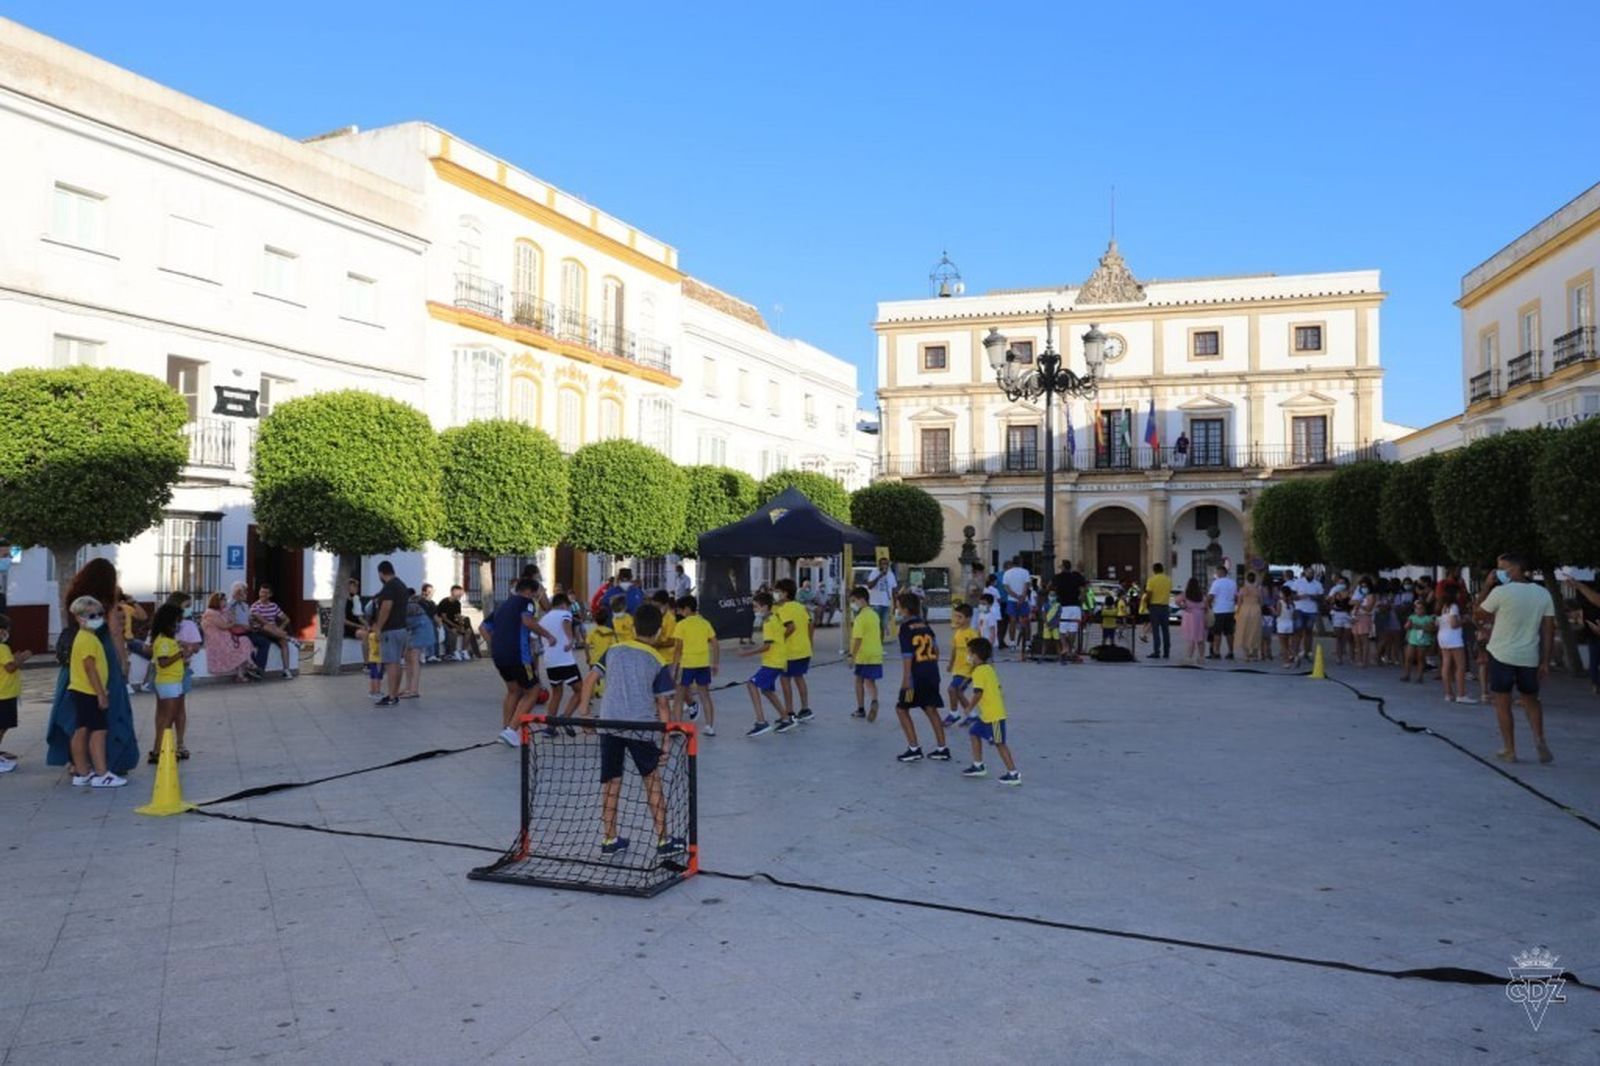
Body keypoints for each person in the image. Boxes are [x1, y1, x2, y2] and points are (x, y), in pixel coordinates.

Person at [572, 603, 685, 858]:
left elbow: (589, 680)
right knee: (652, 781)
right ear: (657, 633)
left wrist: (585, 715)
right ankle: (663, 840)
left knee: (611, 782)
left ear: (632, 627)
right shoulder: (657, 660)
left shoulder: (613, 650)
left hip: (609, 725)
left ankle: (609, 839)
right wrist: (666, 741)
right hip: (641, 727)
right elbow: (663, 704)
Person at [46, 560, 137, 777]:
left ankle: (76, 763)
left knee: (75, 714)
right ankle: (109, 761)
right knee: (109, 712)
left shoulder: (73, 596)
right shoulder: (107, 598)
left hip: (76, 656)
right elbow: (115, 632)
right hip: (102, 654)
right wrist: (123, 662)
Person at [1476, 554, 1555, 764]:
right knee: (1532, 700)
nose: (1498, 572)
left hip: (1502, 654)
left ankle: (1510, 749)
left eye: (1501, 568)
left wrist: (1486, 587)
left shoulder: (1501, 592)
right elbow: (1548, 629)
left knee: (1503, 703)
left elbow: (1478, 615)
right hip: (1529, 656)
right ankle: (1539, 739)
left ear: (1514, 569)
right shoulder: (1542, 593)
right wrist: (1545, 661)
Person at [61, 595, 127, 788]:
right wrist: (101, 693)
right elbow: (90, 669)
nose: (98, 618)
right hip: (88, 692)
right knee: (99, 731)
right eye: (92, 615)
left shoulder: (85, 637)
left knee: (81, 730)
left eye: (100, 614)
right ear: (79, 617)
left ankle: (82, 772)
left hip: (81, 691)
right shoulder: (88, 640)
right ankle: (101, 773)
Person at [485, 577, 545, 746]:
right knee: (533, 690)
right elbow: (527, 621)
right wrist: (548, 635)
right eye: (538, 592)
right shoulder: (528, 602)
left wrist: (495, 644)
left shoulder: (502, 605)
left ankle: (506, 729)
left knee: (513, 690)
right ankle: (512, 730)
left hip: (499, 655)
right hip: (519, 655)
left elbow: (483, 627)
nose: (539, 595)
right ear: (530, 591)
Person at [893, 591, 949, 763]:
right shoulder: (925, 625)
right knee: (931, 708)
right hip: (931, 672)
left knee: (902, 708)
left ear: (904, 608)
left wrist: (907, 678)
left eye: (898, 604)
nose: (896, 607)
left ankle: (914, 747)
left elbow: (908, 655)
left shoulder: (905, 628)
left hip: (916, 676)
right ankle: (942, 748)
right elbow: (937, 649)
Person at [959, 638, 1021, 785]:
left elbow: (978, 692)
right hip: (987, 715)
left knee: (1000, 743)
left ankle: (1013, 773)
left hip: (994, 716)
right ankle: (978, 765)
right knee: (974, 732)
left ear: (976, 655)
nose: (968, 656)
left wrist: (969, 707)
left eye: (969, 653)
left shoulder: (979, 671)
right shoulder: (989, 669)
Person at [739, 591, 795, 736]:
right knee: (767, 690)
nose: (754, 610)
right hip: (776, 660)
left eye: (756, 607)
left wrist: (747, 653)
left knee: (751, 685)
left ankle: (761, 722)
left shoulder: (769, 623)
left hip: (773, 662)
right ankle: (785, 718)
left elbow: (767, 646)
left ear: (765, 607)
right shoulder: (774, 618)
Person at [145, 603, 193, 764]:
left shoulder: (165, 640)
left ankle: (159, 749)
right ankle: (159, 750)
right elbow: (164, 662)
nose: (178, 624)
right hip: (169, 682)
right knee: (168, 717)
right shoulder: (164, 641)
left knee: (164, 716)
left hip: (172, 681)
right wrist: (179, 654)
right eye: (176, 621)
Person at [671, 595, 718, 735]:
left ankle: (678, 726)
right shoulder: (705, 623)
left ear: (686, 609)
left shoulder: (681, 625)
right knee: (705, 695)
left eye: (680, 610)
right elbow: (715, 643)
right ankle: (710, 726)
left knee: (679, 696)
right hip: (703, 663)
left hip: (687, 664)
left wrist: (674, 667)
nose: (679, 613)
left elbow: (678, 648)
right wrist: (715, 663)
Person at [773, 578, 815, 723]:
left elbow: (791, 627)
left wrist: (779, 639)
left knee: (785, 680)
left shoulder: (783, 609)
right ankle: (805, 709)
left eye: (777, 591)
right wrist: (809, 641)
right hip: (804, 650)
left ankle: (789, 712)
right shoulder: (800, 607)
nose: (775, 594)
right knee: (799, 678)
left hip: (790, 652)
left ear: (785, 593)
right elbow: (810, 624)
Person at [535, 592, 582, 720]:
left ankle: (551, 724)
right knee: (580, 690)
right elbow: (566, 622)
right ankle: (565, 718)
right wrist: (570, 639)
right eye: (568, 606)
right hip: (565, 660)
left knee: (556, 692)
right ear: (563, 604)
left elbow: (535, 636)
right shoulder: (565, 613)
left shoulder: (544, 618)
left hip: (550, 661)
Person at [847, 586, 882, 721]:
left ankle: (860, 708)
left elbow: (858, 639)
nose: (853, 604)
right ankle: (874, 700)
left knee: (859, 680)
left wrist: (851, 655)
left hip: (863, 654)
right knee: (870, 681)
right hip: (876, 653)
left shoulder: (860, 617)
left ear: (861, 600)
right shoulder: (874, 615)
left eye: (854, 601)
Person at [0, 612, 29, 773]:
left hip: (4, 692)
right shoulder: (3, 647)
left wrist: (15, 658)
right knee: (2, 726)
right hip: (4, 694)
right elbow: (10, 667)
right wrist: (23, 658)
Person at [248, 583, 296, 679]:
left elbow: (286, 619)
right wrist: (278, 631)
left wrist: (280, 629)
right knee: (266, 626)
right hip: (260, 631)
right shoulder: (255, 606)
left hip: (274, 632)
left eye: (265, 593)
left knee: (283, 642)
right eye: (261, 592)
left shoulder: (274, 606)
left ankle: (286, 670)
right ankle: (289, 638)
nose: (262, 595)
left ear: (270, 595)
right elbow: (263, 622)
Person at [944, 603, 978, 726]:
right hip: (957, 669)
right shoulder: (957, 633)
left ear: (968, 618)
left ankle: (954, 714)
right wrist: (950, 664)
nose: (957, 620)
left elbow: (977, 653)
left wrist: (974, 670)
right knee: (958, 692)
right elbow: (954, 650)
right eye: (955, 616)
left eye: (960, 617)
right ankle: (972, 715)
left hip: (968, 670)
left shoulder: (972, 634)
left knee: (952, 689)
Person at [1437, 584, 1472, 704]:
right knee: (1460, 666)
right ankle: (1461, 694)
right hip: (1454, 637)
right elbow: (1454, 624)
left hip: (1443, 636)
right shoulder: (1454, 606)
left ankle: (1448, 693)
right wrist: (1465, 620)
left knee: (1446, 664)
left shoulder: (1443, 606)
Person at [1285, 567, 1324, 667]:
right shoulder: (1298, 582)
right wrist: (1299, 597)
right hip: (1300, 610)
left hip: (1312, 611)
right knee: (1298, 631)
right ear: (1305, 573)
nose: (1310, 574)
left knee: (1309, 631)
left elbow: (1321, 597)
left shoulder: (1317, 584)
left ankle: (1307, 652)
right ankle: (1295, 653)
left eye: (1312, 573)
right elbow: (1292, 596)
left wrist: (1312, 596)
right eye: (1308, 572)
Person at [438, 585, 479, 661]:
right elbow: (444, 618)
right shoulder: (444, 602)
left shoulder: (457, 603)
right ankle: (452, 652)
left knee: (468, 631)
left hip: (454, 623)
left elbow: (458, 616)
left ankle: (463, 650)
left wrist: (461, 625)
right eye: (458, 592)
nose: (460, 594)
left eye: (460, 592)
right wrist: (455, 626)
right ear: (452, 592)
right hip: (445, 623)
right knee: (454, 631)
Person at [1205, 565, 1237, 660]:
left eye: (1217, 572)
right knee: (1229, 632)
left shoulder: (1216, 583)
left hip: (1219, 610)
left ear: (1221, 572)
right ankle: (1231, 652)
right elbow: (1235, 597)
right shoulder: (1233, 583)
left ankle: (1216, 652)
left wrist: (1208, 605)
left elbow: (1211, 596)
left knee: (1217, 632)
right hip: (1230, 610)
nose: (1216, 574)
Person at [1401, 596, 1436, 684]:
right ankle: (1406, 675)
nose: (1418, 610)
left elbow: (1431, 629)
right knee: (1408, 658)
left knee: (1420, 658)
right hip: (1412, 639)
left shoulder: (1428, 618)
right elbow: (1406, 626)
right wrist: (1408, 626)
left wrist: (1420, 627)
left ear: (1425, 609)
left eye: (1421, 608)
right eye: (1417, 608)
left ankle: (1420, 676)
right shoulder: (1412, 617)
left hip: (1423, 641)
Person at [1144, 563, 1173, 660]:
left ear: (1154, 570)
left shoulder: (1151, 580)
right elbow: (1169, 591)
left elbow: (1149, 593)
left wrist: (1146, 602)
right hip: (1165, 607)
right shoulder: (1168, 580)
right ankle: (1166, 652)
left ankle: (1157, 651)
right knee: (1166, 630)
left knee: (1156, 631)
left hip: (1154, 607)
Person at [866, 558, 898, 637]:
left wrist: (895, 604)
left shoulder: (891, 574)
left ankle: (880, 645)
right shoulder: (874, 573)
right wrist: (880, 576)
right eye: (883, 564)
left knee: (883, 626)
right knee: (875, 626)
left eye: (886, 564)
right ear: (879, 565)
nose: (885, 565)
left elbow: (894, 591)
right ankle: (874, 643)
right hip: (875, 603)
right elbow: (869, 586)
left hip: (886, 604)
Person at [1180, 578, 1208, 665]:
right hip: (1200, 617)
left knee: (1191, 638)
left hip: (1190, 616)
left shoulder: (1186, 595)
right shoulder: (1201, 595)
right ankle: (1201, 657)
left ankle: (1189, 657)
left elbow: (1177, 601)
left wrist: (1184, 606)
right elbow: (1206, 606)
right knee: (1200, 638)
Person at [1236, 571, 1262, 662]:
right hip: (1255, 610)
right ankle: (1254, 653)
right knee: (1255, 631)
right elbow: (1261, 601)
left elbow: (1239, 602)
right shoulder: (1258, 589)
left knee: (1244, 631)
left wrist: (1237, 612)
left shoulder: (1242, 589)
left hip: (1244, 610)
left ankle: (1246, 654)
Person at [1351, 577, 1375, 668]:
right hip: (1356, 617)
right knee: (1357, 640)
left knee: (1364, 640)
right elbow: (1351, 602)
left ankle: (1365, 660)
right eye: (1362, 586)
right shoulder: (1359, 595)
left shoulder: (1371, 596)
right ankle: (1359, 659)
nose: (1363, 588)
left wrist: (1359, 604)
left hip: (1365, 617)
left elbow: (1369, 608)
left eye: (1365, 586)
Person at [1329, 587, 1354, 666]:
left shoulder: (1349, 597)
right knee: (1339, 638)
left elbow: (1351, 606)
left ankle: (1351, 657)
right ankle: (1339, 657)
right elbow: (1331, 606)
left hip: (1348, 617)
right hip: (1337, 618)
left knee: (1349, 638)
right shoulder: (1335, 597)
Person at [343, 577, 365, 641]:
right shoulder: (344, 602)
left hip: (358, 627)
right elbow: (345, 621)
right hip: (349, 628)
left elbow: (360, 618)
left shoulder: (356, 600)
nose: (357, 588)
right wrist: (359, 626)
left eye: (357, 586)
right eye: (354, 586)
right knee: (364, 634)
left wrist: (367, 625)